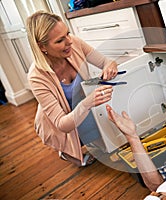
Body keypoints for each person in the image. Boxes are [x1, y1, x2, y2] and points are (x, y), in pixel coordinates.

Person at [27, 11, 118, 167]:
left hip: (83, 108)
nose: (69, 41)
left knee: (109, 142)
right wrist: (88, 102)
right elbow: (63, 124)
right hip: (61, 122)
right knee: (78, 157)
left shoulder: (74, 43)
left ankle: (88, 138)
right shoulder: (36, 77)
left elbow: (106, 61)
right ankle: (66, 151)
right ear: (42, 47)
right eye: (60, 40)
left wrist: (110, 67)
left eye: (67, 34)